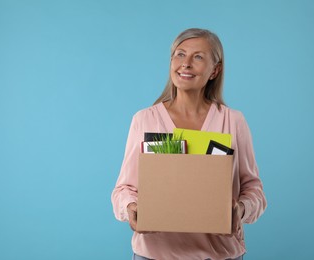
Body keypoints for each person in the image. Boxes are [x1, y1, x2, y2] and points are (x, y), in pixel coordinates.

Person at [111, 28, 267, 260]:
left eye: (198, 57)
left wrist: (241, 210)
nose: (186, 64)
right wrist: (131, 208)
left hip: (220, 255)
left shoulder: (233, 121)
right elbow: (123, 190)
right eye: (180, 54)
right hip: (154, 254)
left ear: (215, 70)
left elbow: (254, 190)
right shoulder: (144, 120)